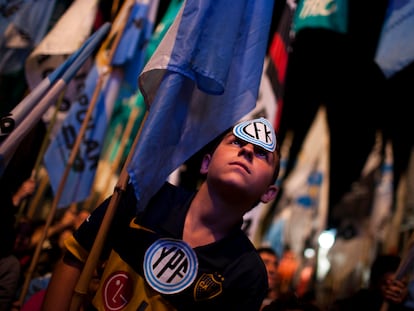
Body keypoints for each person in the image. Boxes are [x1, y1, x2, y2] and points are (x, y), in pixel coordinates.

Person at [41, 117, 281, 311]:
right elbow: (75, 258)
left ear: (269, 194)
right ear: (206, 163)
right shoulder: (144, 196)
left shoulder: (248, 274)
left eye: (262, 154)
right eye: (236, 142)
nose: (248, 149)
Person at [330, 254, 413, 311]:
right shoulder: (360, 302)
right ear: (376, 283)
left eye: (402, 285)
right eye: (388, 284)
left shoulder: (407, 304)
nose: (394, 290)